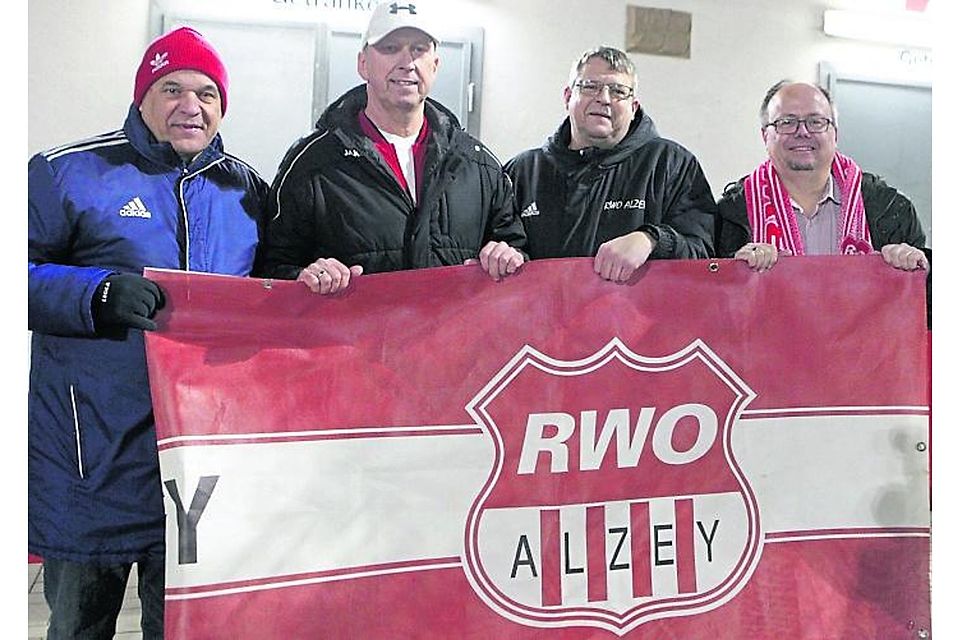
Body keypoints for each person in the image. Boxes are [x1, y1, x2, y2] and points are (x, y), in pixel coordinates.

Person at [28, 27, 266, 639]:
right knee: (81, 625)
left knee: (183, 627)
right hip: (90, 455)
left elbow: (273, 288)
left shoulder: (245, 189)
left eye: (207, 93)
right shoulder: (67, 172)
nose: (191, 106)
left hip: (196, 458)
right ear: (142, 99)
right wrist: (95, 292)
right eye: (172, 89)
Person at [256, 1, 526, 292]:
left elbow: (517, 254)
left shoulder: (479, 165)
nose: (406, 62)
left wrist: (510, 257)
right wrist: (306, 275)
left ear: (435, 66)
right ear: (363, 64)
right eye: (389, 48)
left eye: (419, 49)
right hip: (352, 337)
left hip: (451, 338)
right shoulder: (312, 163)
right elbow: (272, 268)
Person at [504, 46, 716, 283]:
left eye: (618, 91)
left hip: (640, 319)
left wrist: (652, 240)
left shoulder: (672, 165)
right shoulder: (520, 172)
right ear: (567, 97)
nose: (603, 98)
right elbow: (500, 248)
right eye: (590, 86)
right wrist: (506, 256)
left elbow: (705, 256)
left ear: (633, 107)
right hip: (540, 319)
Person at [715, 80, 928, 273]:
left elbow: (929, 305)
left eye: (816, 122)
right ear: (765, 136)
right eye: (787, 122)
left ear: (835, 133)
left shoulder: (890, 209)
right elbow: (710, 304)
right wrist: (733, 272)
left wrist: (920, 270)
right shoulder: (729, 217)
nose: (802, 132)